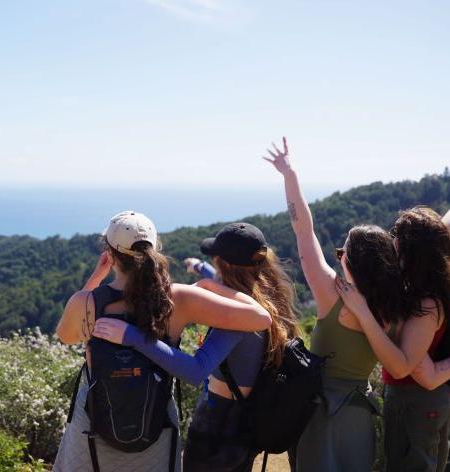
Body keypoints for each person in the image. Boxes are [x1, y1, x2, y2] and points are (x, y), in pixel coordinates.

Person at [53, 211, 271, 472]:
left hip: (91, 432)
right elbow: (261, 318)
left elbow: (66, 336)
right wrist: (211, 284)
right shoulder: (177, 299)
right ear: (154, 250)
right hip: (154, 428)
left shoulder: (85, 302)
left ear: (109, 254)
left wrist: (96, 279)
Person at [93, 222, 299, 472]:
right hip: (244, 419)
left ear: (223, 264)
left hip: (220, 423)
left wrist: (133, 337)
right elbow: (228, 289)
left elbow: (195, 370)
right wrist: (203, 272)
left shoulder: (235, 320)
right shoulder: (267, 297)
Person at [263, 137, 408, 472]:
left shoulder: (333, 295)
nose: (338, 257)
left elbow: (303, 230)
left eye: (342, 253)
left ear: (351, 263)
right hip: (360, 411)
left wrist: (289, 175)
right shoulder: (395, 305)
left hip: (320, 409)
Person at [336, 207, 450, 472]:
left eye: (396, 235)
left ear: (409, 248)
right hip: (419, 399)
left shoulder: (426, 303)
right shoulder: (423, 289)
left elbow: (403, 366)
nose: (392, 240)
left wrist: (362, 311)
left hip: (416, 401)